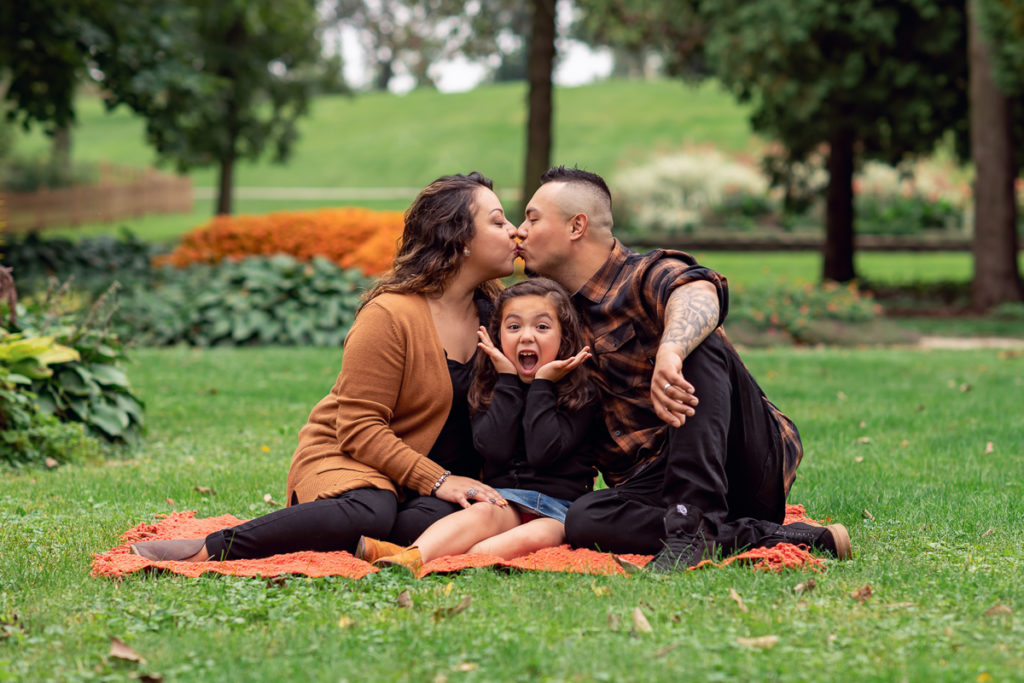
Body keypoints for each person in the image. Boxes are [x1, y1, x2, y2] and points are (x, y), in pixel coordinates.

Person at [131, 171, 519, 562]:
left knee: (418, 527)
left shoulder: (502, 314)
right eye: (499, 221)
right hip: (354, 459)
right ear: (459, 239)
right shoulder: (390, 315)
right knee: (372, 511)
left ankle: (348, 535)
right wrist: (438, 479)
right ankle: (212, 548)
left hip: (429, 486)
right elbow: (358, 428)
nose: (515, 232)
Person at [514, 166, 852, 571]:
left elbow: (696, 288)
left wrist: (671, 350)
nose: (519, 230)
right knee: (584, 518)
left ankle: (695, 525)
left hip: (741, 463)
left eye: (532, 218)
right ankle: (736, 533)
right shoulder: (555, 317)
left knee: (699, 340)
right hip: (653, 485)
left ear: (576, 226)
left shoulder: (640, 275)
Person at [356, 278, 599, 571]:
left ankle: (423, 559)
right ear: (496, 336)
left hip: (559, 511)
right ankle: (412, 557)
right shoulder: (489, 386)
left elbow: (542, 451)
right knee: (481, 515)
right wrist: (508, 382)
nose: (526, 336)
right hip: (503, 501)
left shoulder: (582, 393)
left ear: (565, 336)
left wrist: (543, 385)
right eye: (513, 327)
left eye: (542, 327)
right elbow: (493, 448)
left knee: (531, 536)